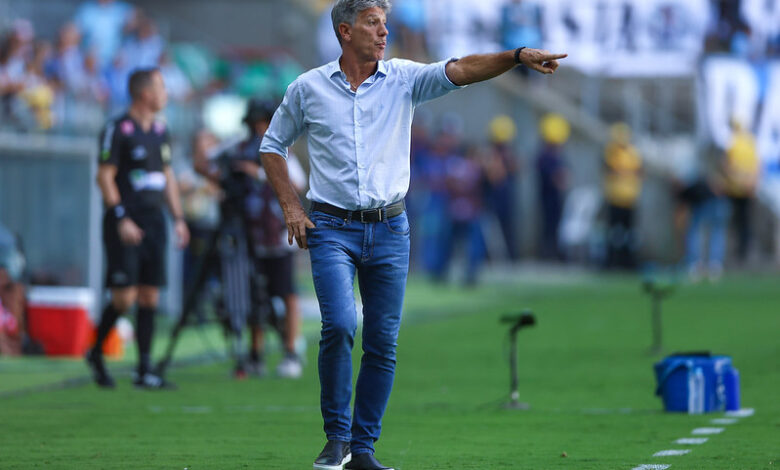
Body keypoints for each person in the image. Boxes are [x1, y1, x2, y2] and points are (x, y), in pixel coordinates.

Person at [259, 1, 566, 469]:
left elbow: (461, 68)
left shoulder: (403, 77)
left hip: (390, 228)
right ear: (345, 30)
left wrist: (517, 54)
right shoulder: (308, 88)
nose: (384, 32)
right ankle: (336, 440)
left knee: (383, 341)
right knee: (340, 325)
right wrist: (290, 206)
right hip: (332, 227)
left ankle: (363, 451)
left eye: (386, 23)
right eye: (372, 23)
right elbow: (272, 145)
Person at [86, 67, 190, 389]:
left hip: (154, 220)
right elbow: (104, 176)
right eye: (161, 87)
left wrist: (178, 218)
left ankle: (144, 370)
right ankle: (96, 351)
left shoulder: (161, 131)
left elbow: (168, 176)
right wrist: (120, 218)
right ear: (145, 93)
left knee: (149, 296)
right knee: (123, 298)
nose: (166, 94)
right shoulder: (117, 128)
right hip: (124, 222)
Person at [198, 99, 306, 379]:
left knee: (287, 293)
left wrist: (258, 172)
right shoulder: (240, 150)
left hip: (279, 236)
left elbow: (298, 185)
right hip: (249, 234)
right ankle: (255, 352)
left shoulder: (282, 151)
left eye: (263, 123)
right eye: (255, 124)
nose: (259, 129)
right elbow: (206, 164)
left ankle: (290, 350)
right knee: (254, 296)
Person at [603, 122, 642, 269]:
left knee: (629, 234)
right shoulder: (611, 152)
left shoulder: (633, 153)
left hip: (630, 198)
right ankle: (612, 261)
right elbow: (611, 169)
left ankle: (628, 262)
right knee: (614, 233)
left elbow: (639, 171)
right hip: (615, 198)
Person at [536, 113, 570, 260]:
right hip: (548, 196)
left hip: (553, 196)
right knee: (549, 226)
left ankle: (552, 252)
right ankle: (549, 253)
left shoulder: (551, 155)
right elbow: (557, 177)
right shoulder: (546, 156)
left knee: (554, 225)